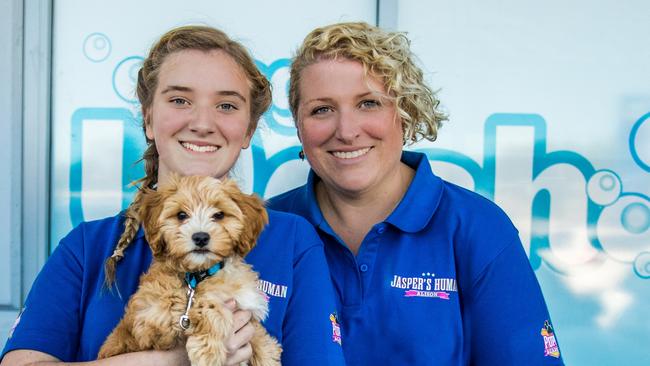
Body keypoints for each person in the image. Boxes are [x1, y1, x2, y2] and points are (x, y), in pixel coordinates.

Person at [1, 25, 345, 366]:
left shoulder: (292, 240)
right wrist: (176, 360)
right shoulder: (87, 246)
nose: (202, 122)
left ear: (248, 130)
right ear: (149, 118)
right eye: (180, 100)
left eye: (226, 106)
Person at [269, 22, 565, 365]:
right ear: (298, 124)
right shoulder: (264, 226)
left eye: (368, 103)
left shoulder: (475, 227)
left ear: (405, 112)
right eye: (322, 109)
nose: (347, 131)